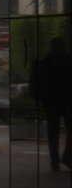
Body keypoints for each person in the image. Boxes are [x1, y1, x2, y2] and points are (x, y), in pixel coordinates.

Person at [32, 37, 72, 171]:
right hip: (61, 101)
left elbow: (36, 84)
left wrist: (38, 99)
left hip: (53, 102)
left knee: (53, 133)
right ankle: (63, 158)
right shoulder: (47, 62)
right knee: (55, 132)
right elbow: (37, 84)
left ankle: (57, 159)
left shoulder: (44, 62)